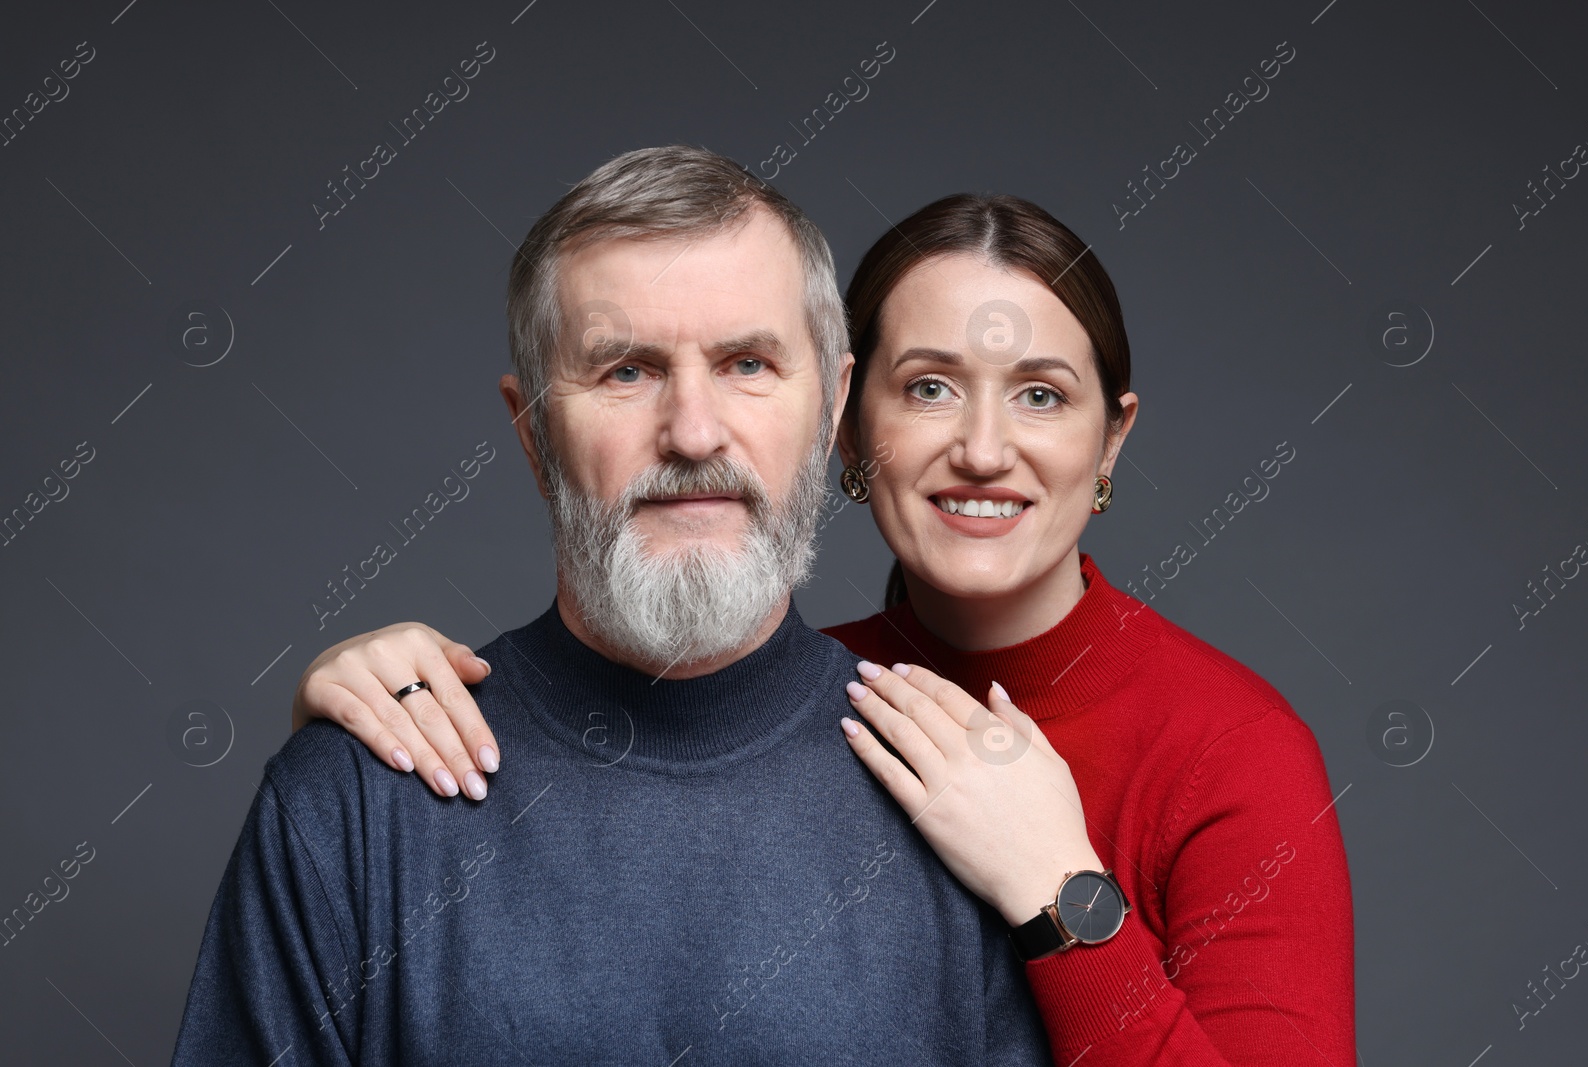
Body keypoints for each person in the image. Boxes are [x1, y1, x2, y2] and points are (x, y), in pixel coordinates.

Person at [293, 189, 1358, 1065]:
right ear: (847, 428)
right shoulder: (802, 688)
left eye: (1040, 395)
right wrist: (357, 736)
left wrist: (1060, 890)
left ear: (1110, 440)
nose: (984, 449)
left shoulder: (1232, 747)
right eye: (930, 386)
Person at [170, 146, 1054, 1066]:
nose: (693, 432)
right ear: (534, 432)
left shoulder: (969, 803)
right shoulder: (353, 803)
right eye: (626, 371)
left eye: (747, 363)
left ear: (832, 406)